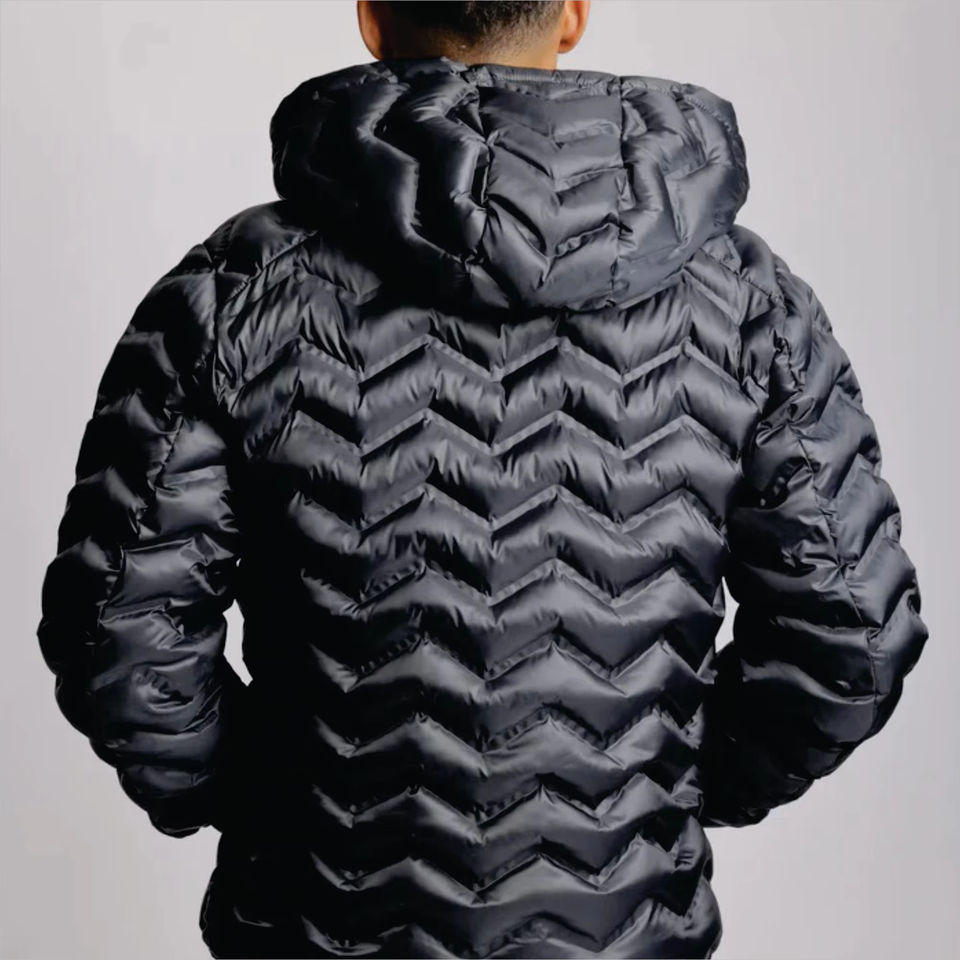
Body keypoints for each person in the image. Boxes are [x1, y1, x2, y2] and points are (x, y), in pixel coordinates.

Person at [35, 2, 929, 958]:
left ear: (371, 19)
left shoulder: (234, 294)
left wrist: (287, 811)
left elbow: (119, 637)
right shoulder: (749, 306)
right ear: (572, 16)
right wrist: (650, 797)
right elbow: (852, 636)